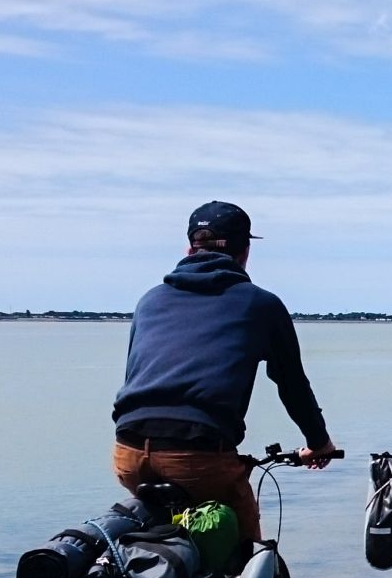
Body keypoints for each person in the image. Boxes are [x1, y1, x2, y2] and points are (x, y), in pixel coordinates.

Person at [112, 201, 338, 543]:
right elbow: (292, 385)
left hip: (128, 451)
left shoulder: (150, 300)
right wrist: (319, 443)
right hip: (198, 457)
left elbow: (135, 373)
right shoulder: (260, 304)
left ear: (189, 249)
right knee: (249, 552)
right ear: (245, 252)